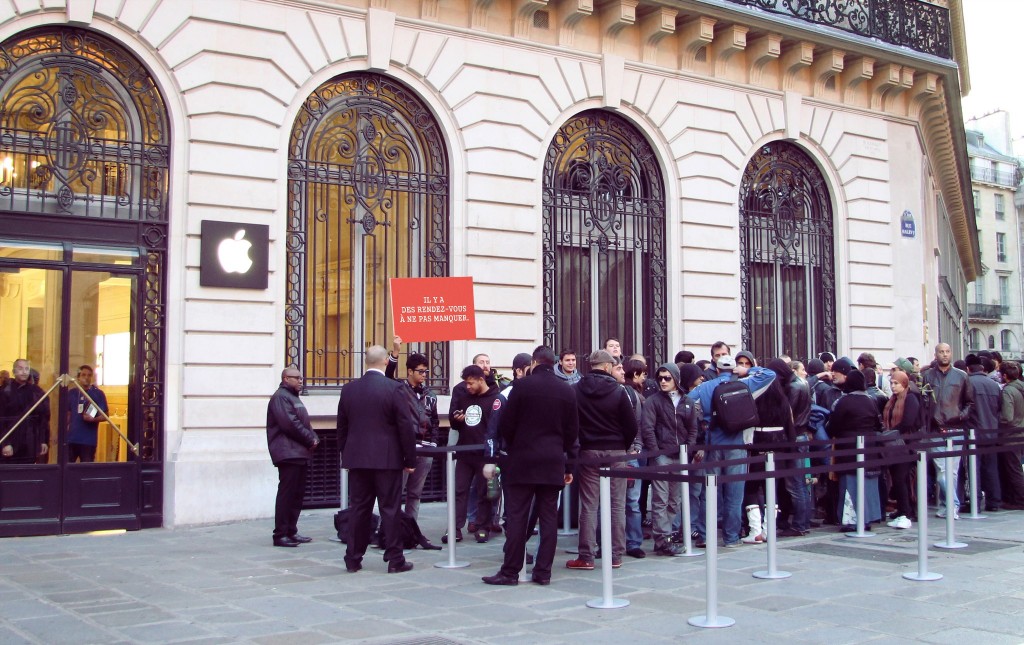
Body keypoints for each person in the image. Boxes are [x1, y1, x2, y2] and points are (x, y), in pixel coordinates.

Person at [481, 346, 578, 586]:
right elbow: (572, 432)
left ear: (534, 363)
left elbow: (508, 425)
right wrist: (568, 465)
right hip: (552, 460)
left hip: (522, 460)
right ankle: (543, 572)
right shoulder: (566, 390)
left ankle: (510, 571)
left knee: (517, 517)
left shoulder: (521, 387)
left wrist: (515, 446)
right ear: (554, 363)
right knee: (548, 519)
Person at [337, 345, 418, 573]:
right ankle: (395, 559)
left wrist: (346, 454)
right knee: (390, 509)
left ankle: (353, 557)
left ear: (366, 362)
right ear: (385, 361)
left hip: (357, 459)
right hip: (387, 458)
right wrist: (409, 458)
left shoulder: (349, 390)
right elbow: (405, 426)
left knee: (359, 509)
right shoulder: (394, 389)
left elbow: (342, 427)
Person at [688, 355, 776, 548]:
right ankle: (731, 537)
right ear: (734, 369)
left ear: (717, 369)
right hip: (737, 444)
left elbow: (686, 404)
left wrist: (703, 421)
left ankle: (705, 535)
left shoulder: (705, 387)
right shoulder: (745, 384)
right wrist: (748, 370)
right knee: (735, 495)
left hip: (713, 445)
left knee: (709, 492)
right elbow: (770, 374)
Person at [568, 349, 637, 570]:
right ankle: (615, 554)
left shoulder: (577, 389)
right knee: (617, 505)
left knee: (589, 505)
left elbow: (572, 423)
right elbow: (631, 425)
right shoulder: (619, 391)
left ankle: (586, 556)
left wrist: (580, 444)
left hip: (589, 451)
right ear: (607, 366)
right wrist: (622, 445)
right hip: (615, 450)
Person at [641, 362, 700, 555]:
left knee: (675, 500)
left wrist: (688, 450)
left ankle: (667, 535)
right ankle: (662, 539)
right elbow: (648, 429)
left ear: (676, 379)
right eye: (660, 378)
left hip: (680, 455)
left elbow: (693, 429)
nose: (663, 382)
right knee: (660, 499)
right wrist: (656, 452)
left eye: (667, 378)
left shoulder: (687, 401)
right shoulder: (653, 401)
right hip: (662, 456)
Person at [384, 336, 440, 520]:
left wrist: (433, 444)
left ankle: (411, 529)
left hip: (425, 450)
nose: (425, 375)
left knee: (415, 494)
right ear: (410, 371)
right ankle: (390, 529)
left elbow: (435, 421)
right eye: (421, 371)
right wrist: (395, 352)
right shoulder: (399, 389)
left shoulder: (430, 395)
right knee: (395, 492)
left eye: (426, 371)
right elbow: (387, 377)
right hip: (404, 448)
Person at [447, 364, 501, 543]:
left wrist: (493, 456)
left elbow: (496, 427)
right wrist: (456, 420)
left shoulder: (495, 399)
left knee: (484, 491)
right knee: (459, 490)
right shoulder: (464, 398)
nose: (467, 387)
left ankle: (483, 526)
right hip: (464, 452)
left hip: (484, 453)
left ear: (481, 380)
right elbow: (455, 424)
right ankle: (454, 528)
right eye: (466, 384)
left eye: (471, 383)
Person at [266, 367, 320, 547]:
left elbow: (302, 422)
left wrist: (314, 437)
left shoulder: (292, 397)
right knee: (287, 494)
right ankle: (280, 534)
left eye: (301, 378)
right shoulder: (281, 397)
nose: (300, 381)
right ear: (285, 378)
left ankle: (291, 530)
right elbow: (290, 424)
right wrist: (309, 438)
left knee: (296, 494)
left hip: (298, 453)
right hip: (288, 453)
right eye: (296, 378)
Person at [920, 343, 974, 519]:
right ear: (936, 354)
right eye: (941, 352)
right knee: (942, 471)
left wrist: (960, 416)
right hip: (935, 429)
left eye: (947, 351)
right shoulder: (927, 375)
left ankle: (949, 505)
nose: (945, 355)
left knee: (950, 471)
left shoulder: (961, 376)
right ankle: (951, 504)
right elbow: (924, 400)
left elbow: (970, 402)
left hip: (955, 427)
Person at [826, 370, 882, 529]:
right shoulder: (871, 400)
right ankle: (867, 518)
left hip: (848, 448)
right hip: (869, 447)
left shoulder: (844, 401)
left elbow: (833, 426)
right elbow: (878, 424)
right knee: (868, 485)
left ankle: (852, 521)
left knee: (850, 485)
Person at [882, 370, 921, 529]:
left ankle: (906, 511)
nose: (893, 386)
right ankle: (903, 509)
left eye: (896, 383)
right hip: (895, 444)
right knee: (898, 479)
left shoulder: (910, 398)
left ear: (904, 384)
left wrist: (891, 433)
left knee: (902, 479)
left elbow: (908, 422)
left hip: (906, 444)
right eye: (891, 383)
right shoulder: (893, 399)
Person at [966, 355, 1003, 511]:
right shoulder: (994, 385)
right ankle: (994, 501)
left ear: (968, 369)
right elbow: (999, 408)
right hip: (991, 431)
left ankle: (975, 502)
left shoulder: (967, 383)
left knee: (974, 468)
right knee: (991, 468)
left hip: (974, 431)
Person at [0, 359, 50, 464]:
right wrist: (5, 443)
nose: (24, 372)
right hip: (11, 440)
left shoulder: (36, 392)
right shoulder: (5, 391)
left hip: (30, 441)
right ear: (14, 371)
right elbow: (1, 419)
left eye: (27, 369)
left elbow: (42, 418)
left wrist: (43, 441)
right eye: (20, 368)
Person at [67, 365, 108, 463]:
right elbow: (68, 414)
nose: (86, 377)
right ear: (78, 377)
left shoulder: (98, 394)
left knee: (86, 469)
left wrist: (93, 419)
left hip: (88, 440)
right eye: (83, 375)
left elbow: (105, 415)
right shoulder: (72, 393)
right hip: (71, 439)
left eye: (89, 375)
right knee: (68, 468)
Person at [998, 361, 1024, 508]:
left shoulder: (1008, 391)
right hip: (1021, 431)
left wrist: (997, 419)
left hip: (1011, 434)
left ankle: (1020, 499)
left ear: (1005, 375)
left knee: (1014, 469)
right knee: (1017, 467)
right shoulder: (1021, 388)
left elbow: (1007, 416)